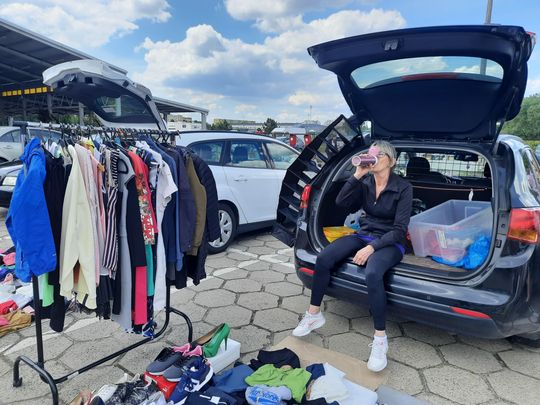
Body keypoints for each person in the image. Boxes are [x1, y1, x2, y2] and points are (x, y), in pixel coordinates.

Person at [292, 140, 413, 372]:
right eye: (371, 153)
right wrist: (357, 175)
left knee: (373, 272)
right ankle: (314, 314)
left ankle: (380, 340)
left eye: (379, 154)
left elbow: (399, 230)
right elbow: (341, 202)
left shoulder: (403, 187)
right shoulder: (366, 181)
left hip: (391, 241)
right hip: (364, 233)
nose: (373, 157)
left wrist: (372, 248)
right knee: (324, 258)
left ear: (392, 161)